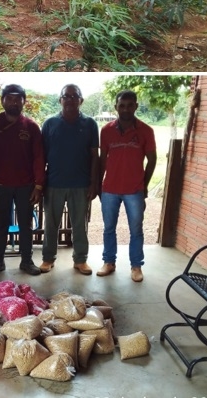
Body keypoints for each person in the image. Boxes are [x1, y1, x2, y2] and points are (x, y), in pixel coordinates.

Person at [0, 84, 45, 277]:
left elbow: (39, 157)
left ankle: (27, 261)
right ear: (3, 101)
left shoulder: (31, 127)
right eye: (10, 98)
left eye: (18, 98)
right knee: (1, 225)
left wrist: (39, 185)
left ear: (24, 101)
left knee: (25, 225)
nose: (14, 102)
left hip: (26, 186)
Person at [39, 84, 99, 275]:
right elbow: (41, 156)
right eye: (66, 96)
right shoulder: (50, 124)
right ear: (60, 100)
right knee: (50, 225)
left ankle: (80, 260)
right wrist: (40, 184)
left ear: (81, 100)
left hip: (80, 185)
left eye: (75, 96)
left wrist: (93, 183)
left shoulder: (90, 124)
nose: (70, 100)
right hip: (54, 184)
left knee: (80, 225)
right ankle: (48, 259)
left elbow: (94, 156)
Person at [97, 90, 157, 282]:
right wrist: (99, 185)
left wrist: (144, 185)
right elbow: (102, 160)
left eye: (130, 105)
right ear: (116, 107)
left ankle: (136, 266)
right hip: (110, 190)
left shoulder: (146, 131)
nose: (125, 109)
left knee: (136, 230)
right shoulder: (106, 131)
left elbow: (152, 160)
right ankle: (109, 262)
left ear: (136, 107)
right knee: (108, 228)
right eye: (121, 105)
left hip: (134, 191)